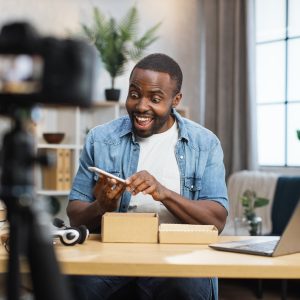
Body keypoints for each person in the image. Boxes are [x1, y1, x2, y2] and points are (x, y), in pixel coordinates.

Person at [67, 53, 228, 300]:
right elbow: (74, 215)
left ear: (176, 99)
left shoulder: (204, 144)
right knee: (75, 285)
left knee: (190, 289)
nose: (141, 106)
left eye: (155, 98)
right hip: (113, 255)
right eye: (134, 95)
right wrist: (101, 206)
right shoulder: (100, 139)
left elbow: (216, 220)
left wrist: (164, 193)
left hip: (179, 257)